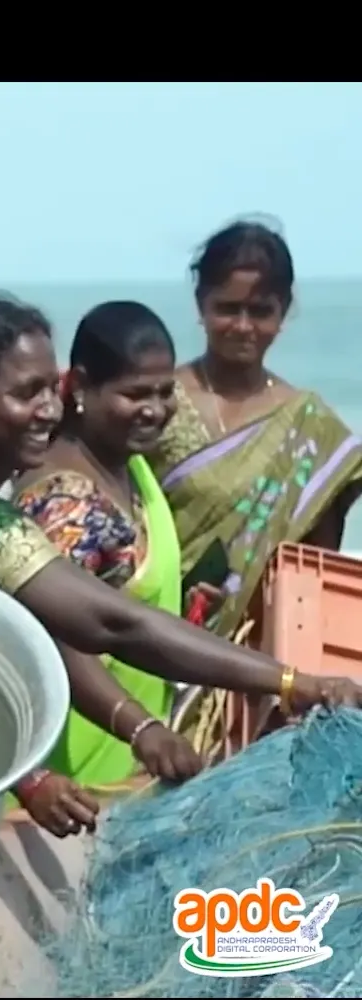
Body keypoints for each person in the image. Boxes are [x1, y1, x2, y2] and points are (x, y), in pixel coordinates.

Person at [0, 296, 362, 836]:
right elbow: (109, 623)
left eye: (49, 389)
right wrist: (294, 682)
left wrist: (36, 774)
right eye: (24, 394)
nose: (50, 410)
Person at [145, 221, 362, 756]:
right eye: (227, 308)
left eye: (260, 311)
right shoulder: (156, 403)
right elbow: (120, 518)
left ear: (283, 313)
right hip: (147, 639)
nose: (243, 326)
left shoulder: (310, 428)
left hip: (251, 669)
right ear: (201, 304)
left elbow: (308, 570)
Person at [9, 302, 207, 810]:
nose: (155, 409)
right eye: (134, 393)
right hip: (72, 772)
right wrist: (140, 727)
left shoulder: (130, 467)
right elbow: (49, 634)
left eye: (165, 392)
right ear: (79, 386)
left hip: (126, 768)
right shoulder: (66, 499)